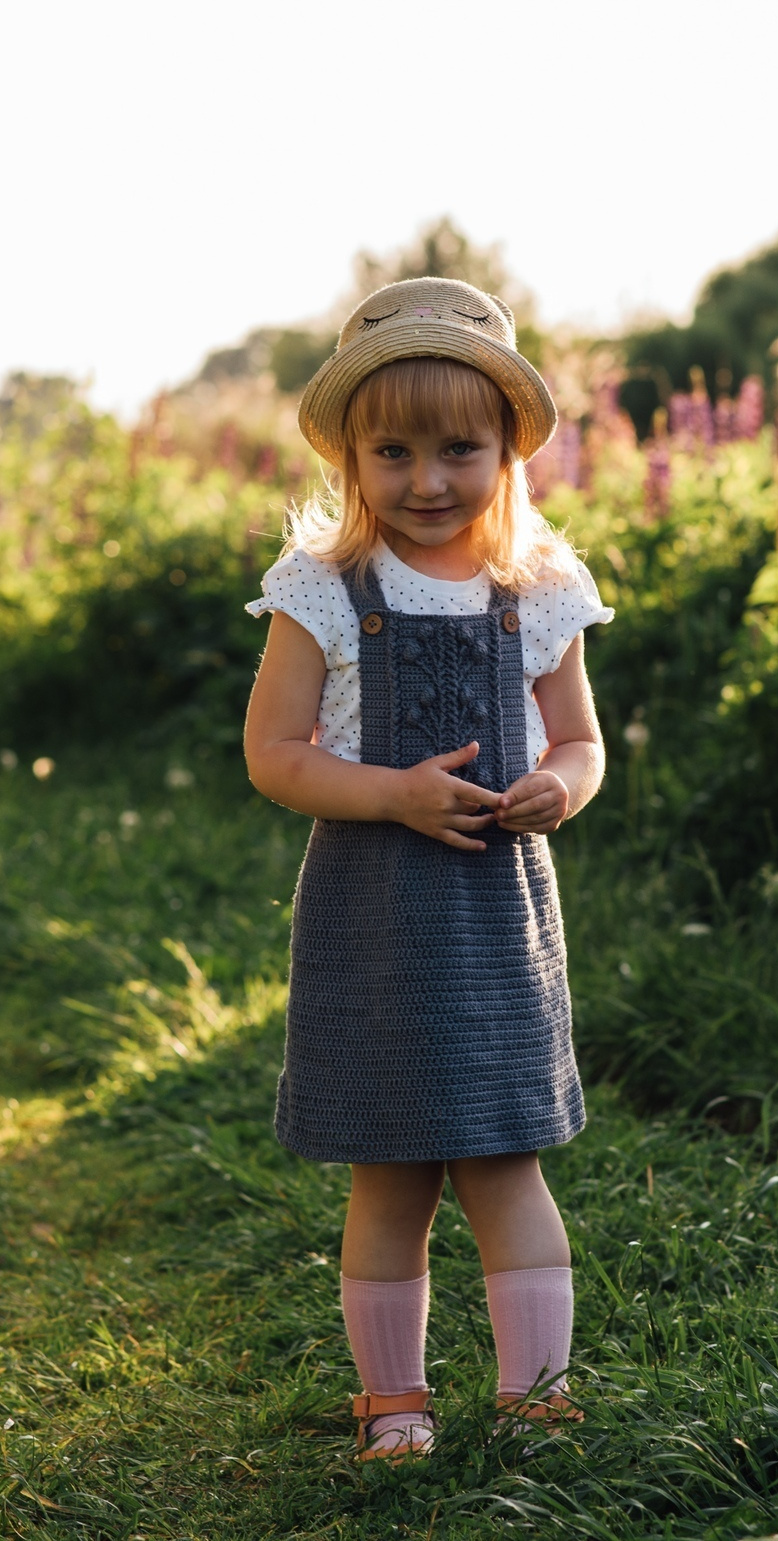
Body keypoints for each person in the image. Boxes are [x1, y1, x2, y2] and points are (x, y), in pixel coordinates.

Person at [243, 276, 613, 1460]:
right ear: (350, 456)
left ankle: (535, 1395)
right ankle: (392, 1401)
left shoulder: (539, 589)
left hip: (497, 913)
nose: (427, 479)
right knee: (392, 1165)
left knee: (504, 1155)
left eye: (459, 449)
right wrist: (390, 792)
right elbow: (275, 753)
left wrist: (560, 785)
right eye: (392, 451)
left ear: (507, 450)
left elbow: (581, 739)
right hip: (374, 914)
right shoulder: (321, 589)